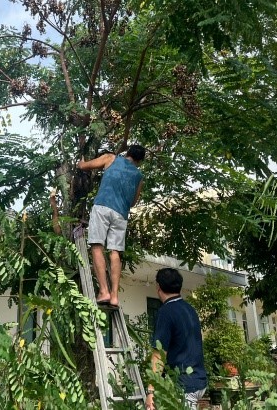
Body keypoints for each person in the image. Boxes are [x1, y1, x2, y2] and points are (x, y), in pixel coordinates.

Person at [77, 144, 145, 308]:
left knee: (97, 246)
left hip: (102, 206)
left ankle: (104, 291)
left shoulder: (111, 158)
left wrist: (81, 161)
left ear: (127, 153)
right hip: (121, 214)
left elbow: (85, 166)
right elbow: (133, 202)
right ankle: (114, 296)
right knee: (115, 251)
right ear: (140, 161)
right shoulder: (139, 176)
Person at [147, 268, 207, 410]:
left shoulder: (166, 312)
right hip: (198, 380)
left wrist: (151, 391)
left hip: (183, 385)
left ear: (158, 286)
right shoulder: (189, 309)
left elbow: (159, 354)